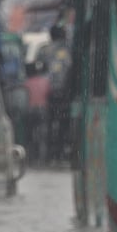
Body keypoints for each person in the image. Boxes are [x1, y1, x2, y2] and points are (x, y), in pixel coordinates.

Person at [38, 23, 72, 163]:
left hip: (48, 93)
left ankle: (48, 154)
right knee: (63, 124)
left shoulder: (44, 50)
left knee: (48, 123)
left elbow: (39, 70)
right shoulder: (69, 49)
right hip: (65, 93)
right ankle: (60, 152)